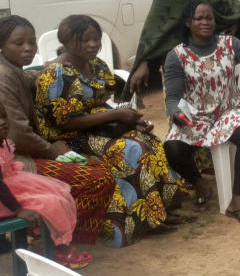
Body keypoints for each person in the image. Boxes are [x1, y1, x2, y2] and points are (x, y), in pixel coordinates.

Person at [35, 15, 188, 246]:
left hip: (97, 128)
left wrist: (131, 123)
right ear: (67, 41)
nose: (93, 45)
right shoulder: (55, 74)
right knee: (130, 149)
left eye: (96, 39)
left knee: (146, 139)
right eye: (85, 40)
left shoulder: (96, 66)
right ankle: (129, 222)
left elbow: (100, 104)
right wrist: (116, 115)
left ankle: (155, 212)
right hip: (70, 138)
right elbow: (65, 123)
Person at [0, 15, 116, 253]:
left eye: (32, 42)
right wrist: (54, 151)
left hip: (27, 153)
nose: (28, 48)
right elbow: (19, 134)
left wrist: (47, 69)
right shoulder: (3, 77)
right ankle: (56, 246)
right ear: (2, 45)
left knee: (100, 169)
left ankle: (58, 238)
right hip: (16, 163)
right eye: (19, 43)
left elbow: (30, 78)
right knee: (96, 179)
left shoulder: (14, 70)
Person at [162, 1, 240, 223]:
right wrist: (176, 113)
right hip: (194, 112)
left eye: (209, 18)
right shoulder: (177, 55)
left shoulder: (230, 44)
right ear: (188, 22)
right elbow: (173, 97)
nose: (205, 22)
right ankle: (200, 184)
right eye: (199, 18)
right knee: (171, 147)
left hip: (229, 109)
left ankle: (237, 200)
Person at [0, 109, 84, 267]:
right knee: (49, 203)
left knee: (57, 193)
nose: (2, 122)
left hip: (12, 184)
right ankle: (57, 248)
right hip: (4, 199)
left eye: (3, 117)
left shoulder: (4, 141)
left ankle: (50, 245)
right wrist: (18, 209)